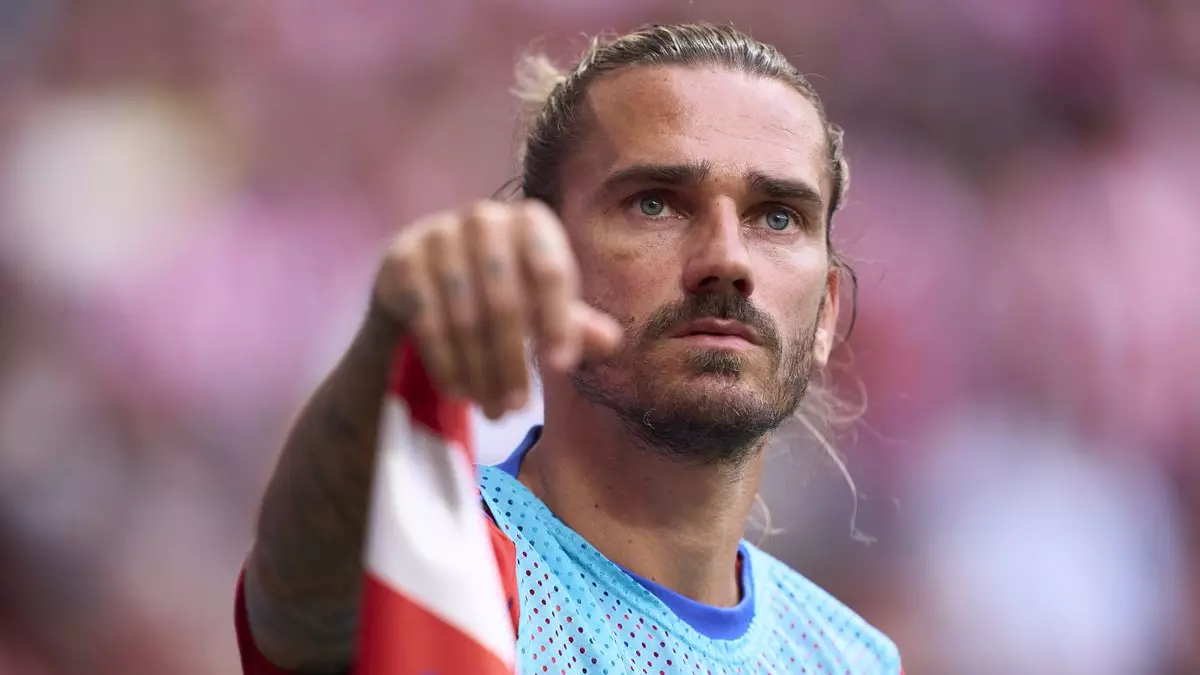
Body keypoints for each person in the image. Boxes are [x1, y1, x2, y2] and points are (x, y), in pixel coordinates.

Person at [236, 22, 903, 675]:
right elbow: (298, 608)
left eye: (778, 216)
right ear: (542, 266)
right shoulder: (444, 569)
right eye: (655, 203)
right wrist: (384, 348)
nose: (727, 259)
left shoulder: (851, 658)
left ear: (826, 314)